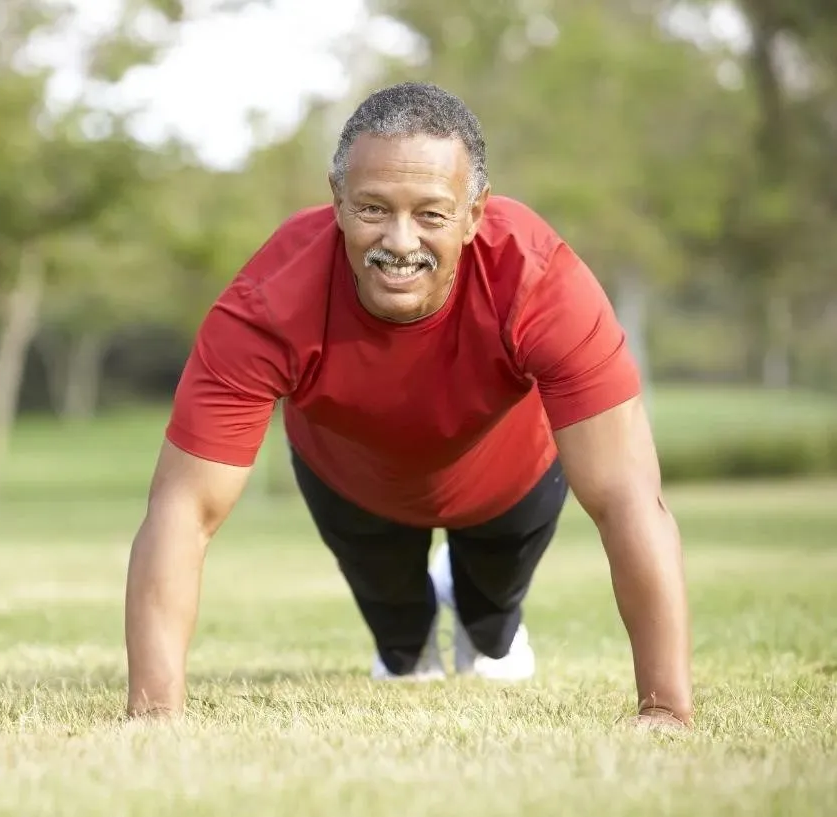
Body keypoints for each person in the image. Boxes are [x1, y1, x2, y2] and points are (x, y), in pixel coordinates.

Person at [122, 82, 693, 730]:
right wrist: (153, 715)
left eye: (430, 213)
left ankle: (490, 625)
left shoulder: (540, 282)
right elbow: (184, 508)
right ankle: (408, 631)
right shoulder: (269, 304)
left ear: (476, 213)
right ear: (336, 203)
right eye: (372, 208)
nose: (398, 240)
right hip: (351, 482)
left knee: (491, 626)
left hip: (510, 477)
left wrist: (667, 710)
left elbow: (627, 497)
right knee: (401, 647)